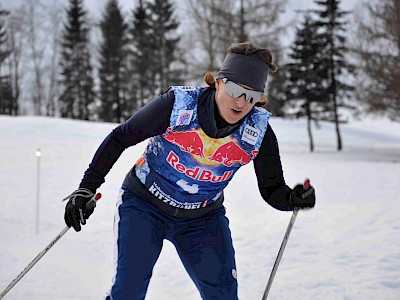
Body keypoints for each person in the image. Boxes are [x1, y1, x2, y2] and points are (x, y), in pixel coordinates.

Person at [64, 41, 316, 300]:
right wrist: (87, 187)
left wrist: (292, 199)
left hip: (202, 219)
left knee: (224, 296)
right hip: (144, 206)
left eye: (252, 97)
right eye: (235, 89)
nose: (241, 102)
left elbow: (272, 188)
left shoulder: (258, 132)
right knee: (128, 291)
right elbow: (121, 137)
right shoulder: (177, 106)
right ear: (219, 81)